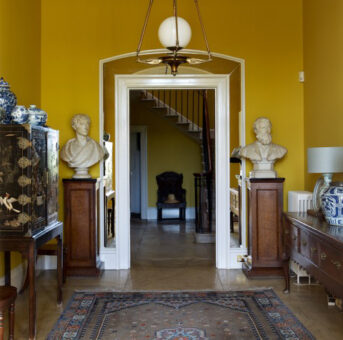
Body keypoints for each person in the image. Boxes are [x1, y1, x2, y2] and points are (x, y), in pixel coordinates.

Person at [60, 113, 104, 178]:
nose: (86, 127)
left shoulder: (96, 147)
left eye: (87, 124)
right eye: (82, 124)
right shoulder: (67, 148)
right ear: (74, 127)